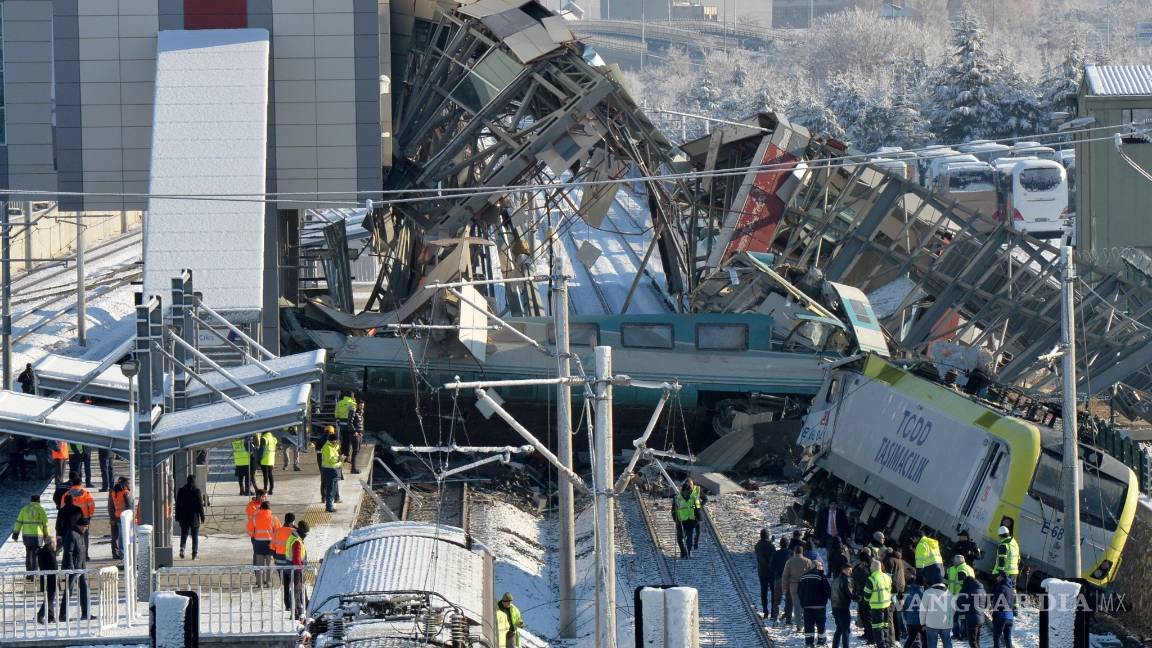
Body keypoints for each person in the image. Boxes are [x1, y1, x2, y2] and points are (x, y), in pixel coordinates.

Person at [59, 516, 92, 621]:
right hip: (73, 568)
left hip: (81, 567)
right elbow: (68, 552)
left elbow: (81, 551)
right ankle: (63, 615)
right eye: (85, 527)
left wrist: (83, 565)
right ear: (80, 526)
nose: (86, 528)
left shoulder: (80, 534)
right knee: (69, 591)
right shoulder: (72, 534)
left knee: (84, 590)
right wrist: (71, 568)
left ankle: (86, 613)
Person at [13, 495, 50, 579]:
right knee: (36, 554)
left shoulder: (24, 509)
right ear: (39, 501)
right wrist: (46, 535)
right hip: (38, 536)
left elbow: (18, 522)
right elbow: (45, 525)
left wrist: (15, 534)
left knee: (28, 553)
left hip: (26, 535)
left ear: (31, 500)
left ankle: (29, 574)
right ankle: (35, 573)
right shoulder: (41, 510)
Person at [798, 559, 832, 647]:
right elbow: (827, 590)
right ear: (817, 567)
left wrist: (803, 603)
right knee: (820, 624)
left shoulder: (803, 577)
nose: (822, 568)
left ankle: (809, 642)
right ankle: (821, 641)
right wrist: (828, 599)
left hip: (807, 606)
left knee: (808, 625)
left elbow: (800, 592)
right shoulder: (821, 576)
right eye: (821, 566)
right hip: (819, 606)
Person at [248, 501, 281, 586]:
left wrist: (253, 536)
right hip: (270, 543)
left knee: (259, 564)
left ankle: (259, 582)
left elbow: (249, 529)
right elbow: (278, 531)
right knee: (269, 564)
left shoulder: (255, 518)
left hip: (258, 543)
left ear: (261, 508)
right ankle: (268, 582)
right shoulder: (274, 518)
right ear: (269, 509)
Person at [782, 543, 814, 631]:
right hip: (805, 586)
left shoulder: (789, 561)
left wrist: (784, 587)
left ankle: (799, 626)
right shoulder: (808, 561)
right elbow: (812, 573)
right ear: (802, 551)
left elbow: (785, 576)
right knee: (805, 605)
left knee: (796, 606)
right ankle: (806, 623)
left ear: (794, 551)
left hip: (794, 586)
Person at [863, 560, 894, 648]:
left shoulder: (871, 579)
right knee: (885, 626)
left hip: (876, 607)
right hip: (887, 605)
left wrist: (867, 600)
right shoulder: (887, 577)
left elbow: (867, 594)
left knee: (877, 628)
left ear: (873, 568)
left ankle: (881, 645)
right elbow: (889, 590)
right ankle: (887, 643)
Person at [175, 475, 205, 560]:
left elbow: (177, 505)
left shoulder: (181, 491)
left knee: (184, 534)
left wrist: (177, 516)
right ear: (194, 481)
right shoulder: (197, 491)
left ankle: (182, 548)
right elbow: (200, 506)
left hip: (183, 517)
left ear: (187, 481)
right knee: (194, 536)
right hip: (194, 517)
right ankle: (194, 554)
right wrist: (202, 517)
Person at [284, 520, 309, 618]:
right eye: (306, 533)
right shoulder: (297, 541)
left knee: (299, 589)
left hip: (292, 568)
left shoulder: (294, 537)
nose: (306, 535)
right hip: (296, 569)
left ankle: (302, 607)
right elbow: (296, 559)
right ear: (302, 532)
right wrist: (299, 570)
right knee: (297, 590)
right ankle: (296, 612)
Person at [884, 539, 908, 643]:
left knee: (893, 614)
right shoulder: (899, 559)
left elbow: (888, 576)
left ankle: (896, 636)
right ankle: (901, 633)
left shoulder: (889, 560)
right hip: (901, 588)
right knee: (898, 612)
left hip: (893, 589)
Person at [946, 555, 974, 639]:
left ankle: (958, 634)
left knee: (956, 617)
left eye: (954, 561)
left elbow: (962, 584)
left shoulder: (961, 570)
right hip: (967, 596)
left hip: (959, 597)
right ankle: (965, 635)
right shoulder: (969, 568)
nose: (953, 562)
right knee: (963, 617)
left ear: (958, 562)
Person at [920, 581, 954, 648]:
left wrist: (922, 623)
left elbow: (922, 610)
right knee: (947, 642)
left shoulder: (927, 593)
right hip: (946, 624)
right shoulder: (950, 593)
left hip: (931, 624)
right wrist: (950, 620)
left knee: (932, 644)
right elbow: (953, 609)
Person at [671, 480, 700, 559]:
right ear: (683, 491)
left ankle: (688, 552)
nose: (689, 493)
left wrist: (698, 516)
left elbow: (697, 508)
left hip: (690, 521)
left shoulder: (693, 498)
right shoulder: (677, 499)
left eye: (690, 492)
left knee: (689, 538)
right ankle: (683, 551)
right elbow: (673, 511)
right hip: (680, 521)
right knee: (680, 538)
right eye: (688, 492)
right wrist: (676, 519)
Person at [274, 512, 297, 610]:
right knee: (296, 583)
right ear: (292, 521)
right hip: (290, 562)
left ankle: (287, 605)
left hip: (279, 562)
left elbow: (272, 547)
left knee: (286, 585)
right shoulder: (294, 532)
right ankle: (297, 604)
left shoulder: (277, 531)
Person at [956, 573, 986, 648]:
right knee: (977, 641)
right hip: (981, 618)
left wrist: (963, 589)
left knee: (973, 642)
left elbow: (960, 602)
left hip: (972, 619)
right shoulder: (981, 589)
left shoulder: (970, 591)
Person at [851, 549, 874, 644]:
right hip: (863, 595)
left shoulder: (863, 569)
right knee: (865, 617)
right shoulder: (868, 568)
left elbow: (855, 580)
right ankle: (867, 634)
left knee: (867, 617)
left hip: (864, 596)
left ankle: (871, 638)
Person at [830, 562, 855, 648]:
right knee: (845, 630)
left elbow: (831, 594)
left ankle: (835, 646)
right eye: (848, 570)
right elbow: (849, 594)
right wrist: (859, 598)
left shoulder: (835, 580)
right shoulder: (846, 580)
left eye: (850, 570)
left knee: (839, 629)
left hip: (835, 607)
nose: (849, 572)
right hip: (843, 607)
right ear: (843, 570)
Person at [108, 477, 133, 560]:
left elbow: (111, 506)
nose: (130, 485)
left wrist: (112, 517)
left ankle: (118, 554)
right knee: (124, 537)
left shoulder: (114, 492)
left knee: (117, 536)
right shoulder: (125, 493)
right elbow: (129, 506)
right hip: (125, 517)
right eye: (128, 483)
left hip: (116, 516)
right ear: (124, 484)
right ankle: (123, 555)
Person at [989, 572, 1015, 648]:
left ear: (1001, 577)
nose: (997, 578)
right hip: (1010, 616)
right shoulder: (1011, 588)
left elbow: (996, 601)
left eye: (998, 576)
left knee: (996, 637)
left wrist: (994, 611)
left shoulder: (1000, 587)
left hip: (1001, 616)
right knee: (1008, 638)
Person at [36, 536, 58, 624]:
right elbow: (54, 566)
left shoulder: (41, 551)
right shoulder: (50, 551)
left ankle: (51, 617)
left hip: (45, 578)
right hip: (51, 578)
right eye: (55, 542)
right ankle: (40, 615)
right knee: (49, 599)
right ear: (52, 543)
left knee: (49, 598)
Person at [320, 432, 344, 512]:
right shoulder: (328, 448)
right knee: (330, 490)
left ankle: (331, 505)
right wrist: (339, 459)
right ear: (333, 441)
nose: (337, 442)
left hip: (333, 471)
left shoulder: (332, 447)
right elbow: (330, 460)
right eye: (336, 441)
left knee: (332, 489)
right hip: (330, 471)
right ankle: (329, 507)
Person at [755, 528, 775, 618]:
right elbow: (773, 556)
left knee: (764, 592)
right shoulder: (771, 546)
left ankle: (765, 611)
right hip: (771, 572)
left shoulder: (757, 546)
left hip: (762, 572)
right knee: (773, 592)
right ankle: (773, 611)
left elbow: (763, 545)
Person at [771, 537, 791, 623]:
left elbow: (771, 567)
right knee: (789, 599)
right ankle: (788, 618)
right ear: (788, 545)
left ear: (780, 544)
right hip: (788, 580)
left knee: (777, 600)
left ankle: (776, 617)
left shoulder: (775, 554)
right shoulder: (791, 554)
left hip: (778, 578)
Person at [902, 574, 926, 648]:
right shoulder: (922, 593)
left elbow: (905, 606)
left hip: (910, 620)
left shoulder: (908, 591)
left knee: (911, 639)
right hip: (920, 621)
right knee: (925, 638)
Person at [258, 430, 278, 495]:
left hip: (265, 459)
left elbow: (261, 451)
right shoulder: (272, 438)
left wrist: (259, 459)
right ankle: (271, 489)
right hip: (271, 459)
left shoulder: (264, 438)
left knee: (265, 476)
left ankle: (265, 489)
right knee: (270, 475)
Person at [348, 401, 365, 473]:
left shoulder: (361, 412)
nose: (362, 407)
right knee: (355, 450)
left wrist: (361, 432)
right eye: (361, 405)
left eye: (363, 406)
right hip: (355, 434)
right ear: (357, 405)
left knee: (358, 450)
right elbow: (349, 422)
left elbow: (361, 423)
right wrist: (354, 431)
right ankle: (353, 468)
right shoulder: (353, 411)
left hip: (360, 433)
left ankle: (354, 467)